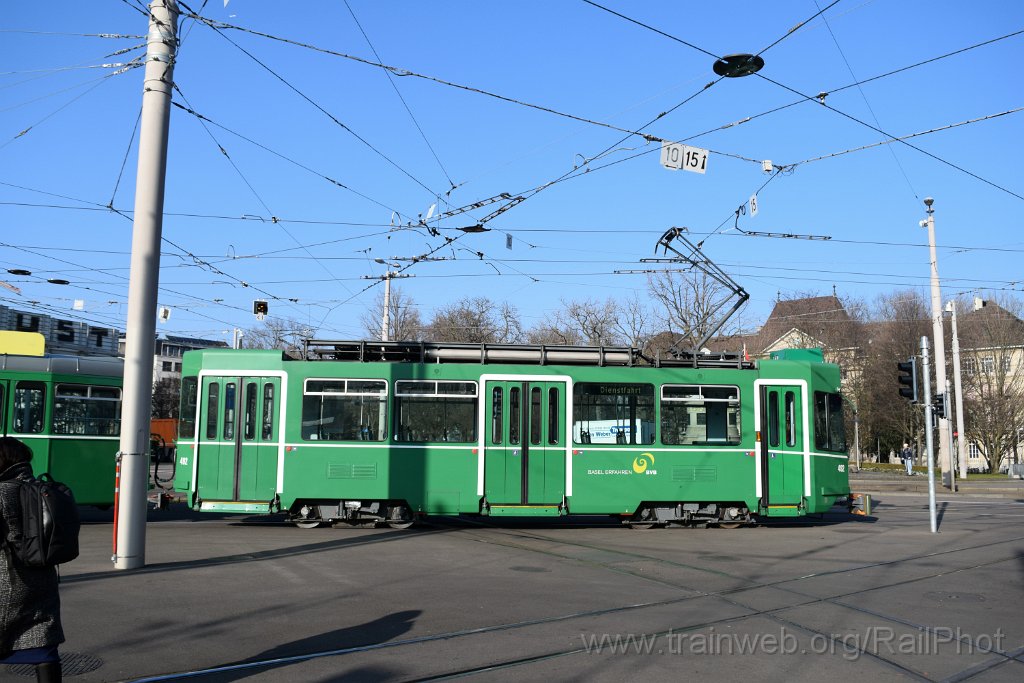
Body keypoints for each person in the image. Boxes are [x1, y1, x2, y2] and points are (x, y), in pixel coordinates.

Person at [0, 436, 64, 683]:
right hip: (43, 579)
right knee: (44, 644)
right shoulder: (42, 487)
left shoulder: (3, 492)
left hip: (8, 580)